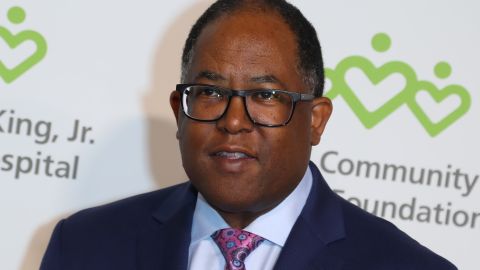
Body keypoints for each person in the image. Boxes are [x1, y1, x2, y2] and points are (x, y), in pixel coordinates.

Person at [40, 1, 457, 269]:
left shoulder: (403, 264)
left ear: (316, 119)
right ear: (178, 112)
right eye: (209, 92)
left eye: (265, 95)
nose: (234, 121)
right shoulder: (82, 247)